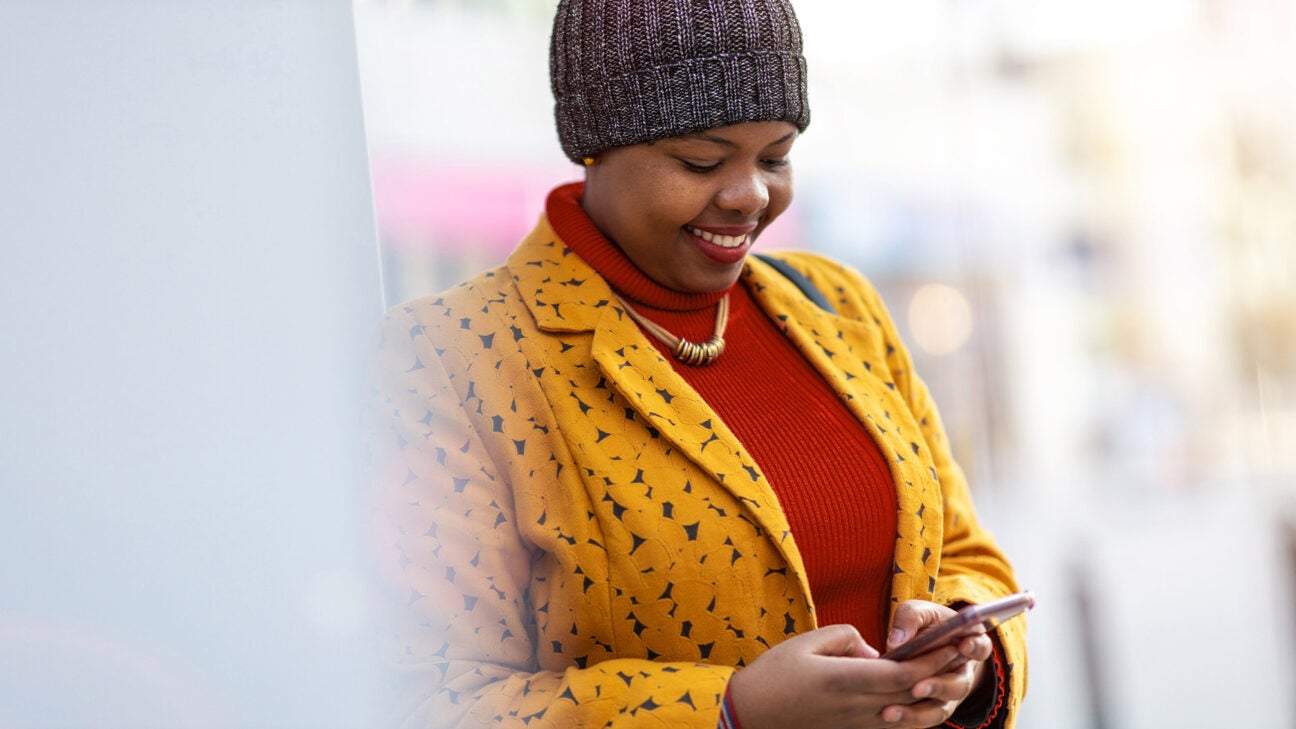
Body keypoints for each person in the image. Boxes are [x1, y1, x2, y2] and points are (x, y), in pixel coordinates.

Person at [365, 0, 1028, 727]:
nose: (750, 195)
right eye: (701, 161)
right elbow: (436, 697)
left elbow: (965, 547)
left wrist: (967, 643)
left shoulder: (839, 306)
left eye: (776, 156)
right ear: (594, 144)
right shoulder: (454, 359)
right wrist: (729, 710)